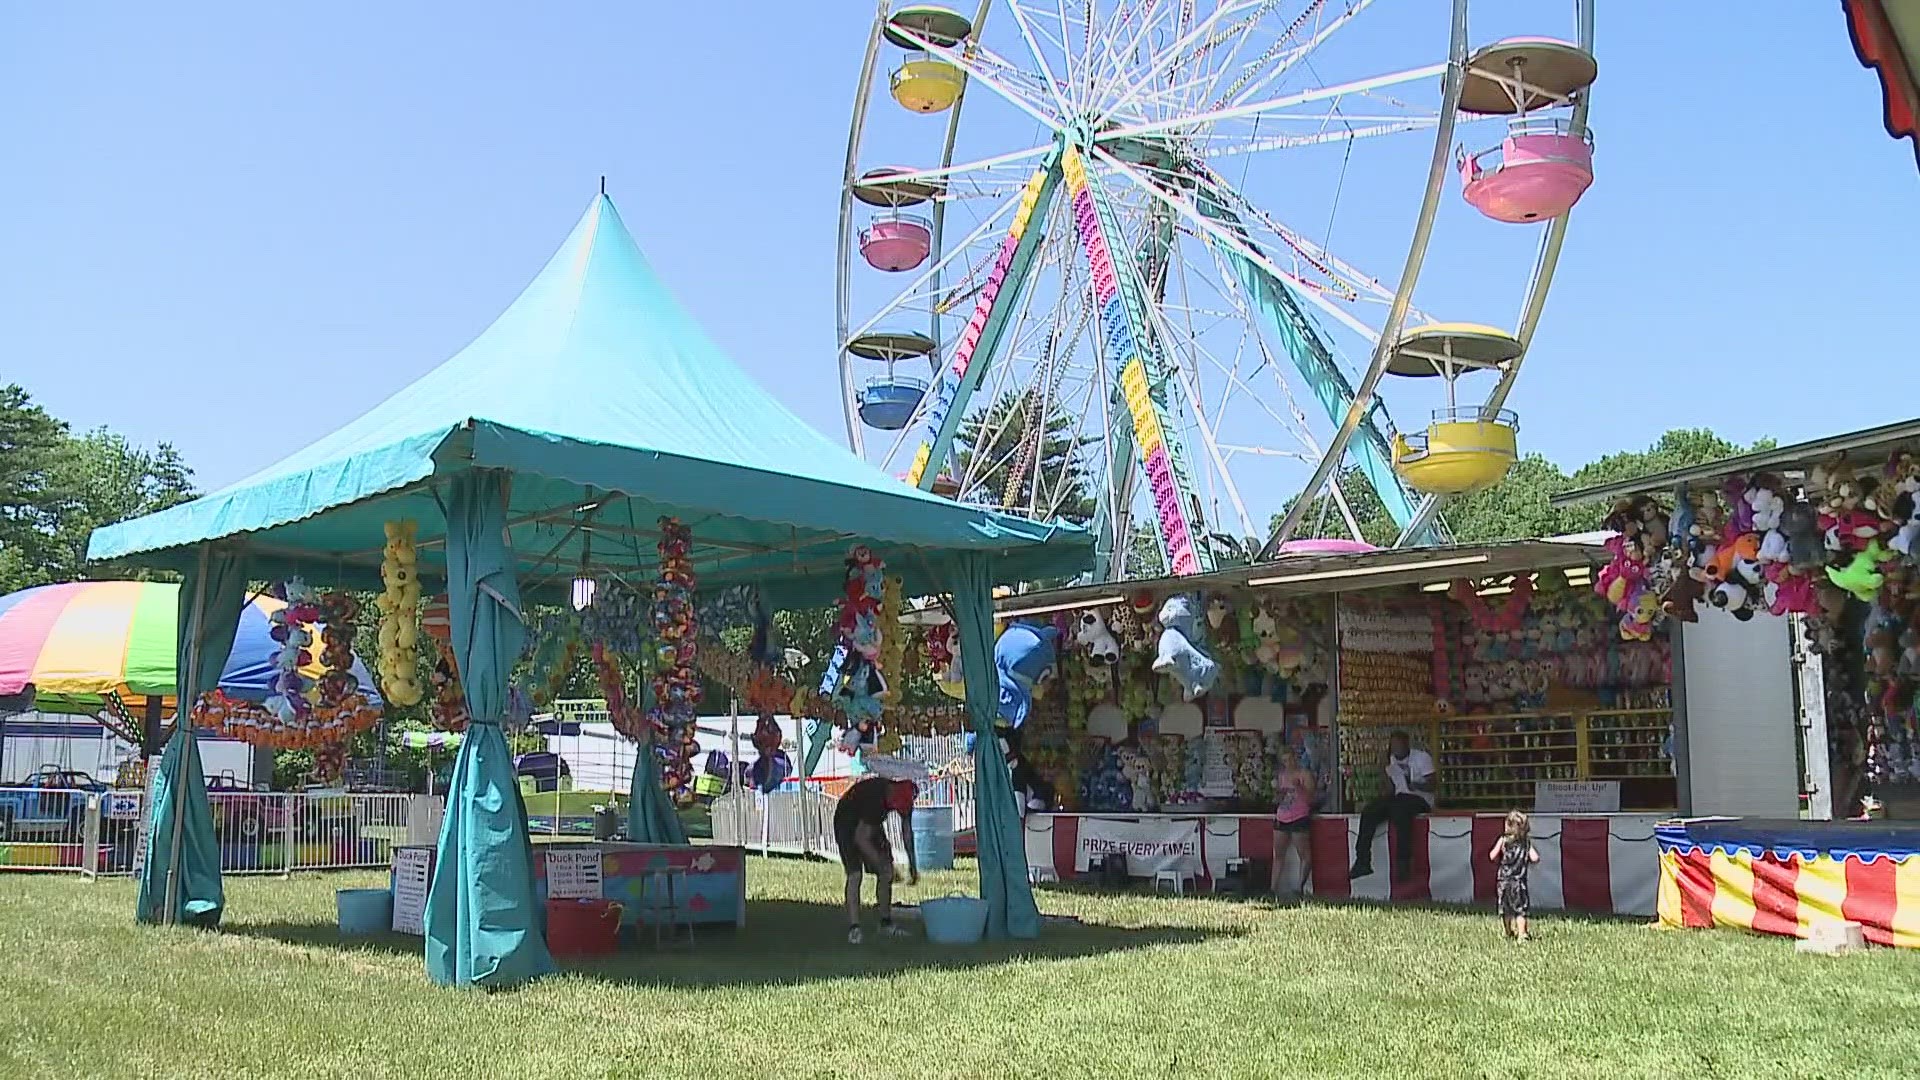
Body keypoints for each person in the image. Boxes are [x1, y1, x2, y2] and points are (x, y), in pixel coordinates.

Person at [834, 775, 919, 944]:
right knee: (855, 875)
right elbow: (861, 837)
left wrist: (912, 865)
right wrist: (879, 863)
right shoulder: (876, 798)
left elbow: (907, 833)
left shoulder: (904, 797)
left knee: (886, 869)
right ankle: (854, 929)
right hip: (846, 820)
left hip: (868, 823)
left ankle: (885, 923)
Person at [1349, 731, 1434, 879]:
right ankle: (1362, 860)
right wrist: (1384, 769)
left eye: (1398, 745)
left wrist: (1415, 785)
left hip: (1419, 799)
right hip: (1398, 797)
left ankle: (1403, 862)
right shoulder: (1391, 760)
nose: (1396, 748)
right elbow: (1390, 790)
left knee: (1400, 812)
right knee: (1370, 811)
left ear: (1407, 744)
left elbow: (1433, 785)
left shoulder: (1421, 758)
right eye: (1393, 745)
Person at [1488, 809, 1541, 940]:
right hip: (1518, 880)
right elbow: (1535, 858)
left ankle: (1508, 931)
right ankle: (1522, 933)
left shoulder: (1503, 840)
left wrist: (1500, 860)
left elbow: (1492, 855)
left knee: (1505, 907)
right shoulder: (1526, 843)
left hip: (1503, 880)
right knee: (1520, 908)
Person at [1270, 746, 1316, 897]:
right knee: (1278, 854)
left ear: (1295, 758)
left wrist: (1299, 787)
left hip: (1299, 816)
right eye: (1284, 761)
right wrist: (1277, 794)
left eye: (1289, 759)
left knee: (1304, 853)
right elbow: (1277, 799)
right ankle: (1272, 889)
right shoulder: (1282, 776)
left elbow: (1311, 798)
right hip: (1282, 816)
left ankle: (1299, 887)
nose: (1288, 763)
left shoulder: (1304, 774)